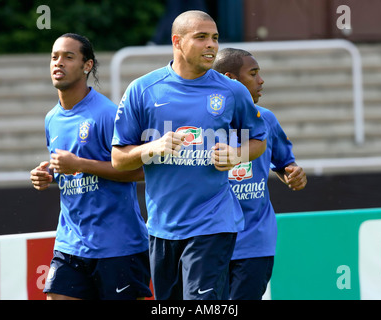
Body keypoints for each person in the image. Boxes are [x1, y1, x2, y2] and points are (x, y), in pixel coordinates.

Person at [111, 11, 267, 300]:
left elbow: (258, 141)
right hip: (162, 226)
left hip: (214, 222)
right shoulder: (142, 90)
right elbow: (118, 158)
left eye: (215, 38)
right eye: (201, 37)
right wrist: (151, 149)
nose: (212, 45)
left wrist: (236, 154)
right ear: (177, 41)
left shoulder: (232, 91)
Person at [29, 33, 151, 300]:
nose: (58, 63)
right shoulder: (52, 118)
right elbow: (67, 167)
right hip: (70, 244)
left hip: (117, 245)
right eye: (54, 56)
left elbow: (140, 171)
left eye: (68, 57)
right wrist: (49, 173)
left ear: (87, 66)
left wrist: (80, 164)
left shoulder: (107, 114)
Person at [213, 48, 307, 300]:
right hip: (210, 242)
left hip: (255, 241)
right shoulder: (203, 124)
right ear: (231, 80)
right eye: (253, 74)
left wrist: (293, 174)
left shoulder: (266, 120)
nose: (261, 81)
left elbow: (285, 164)